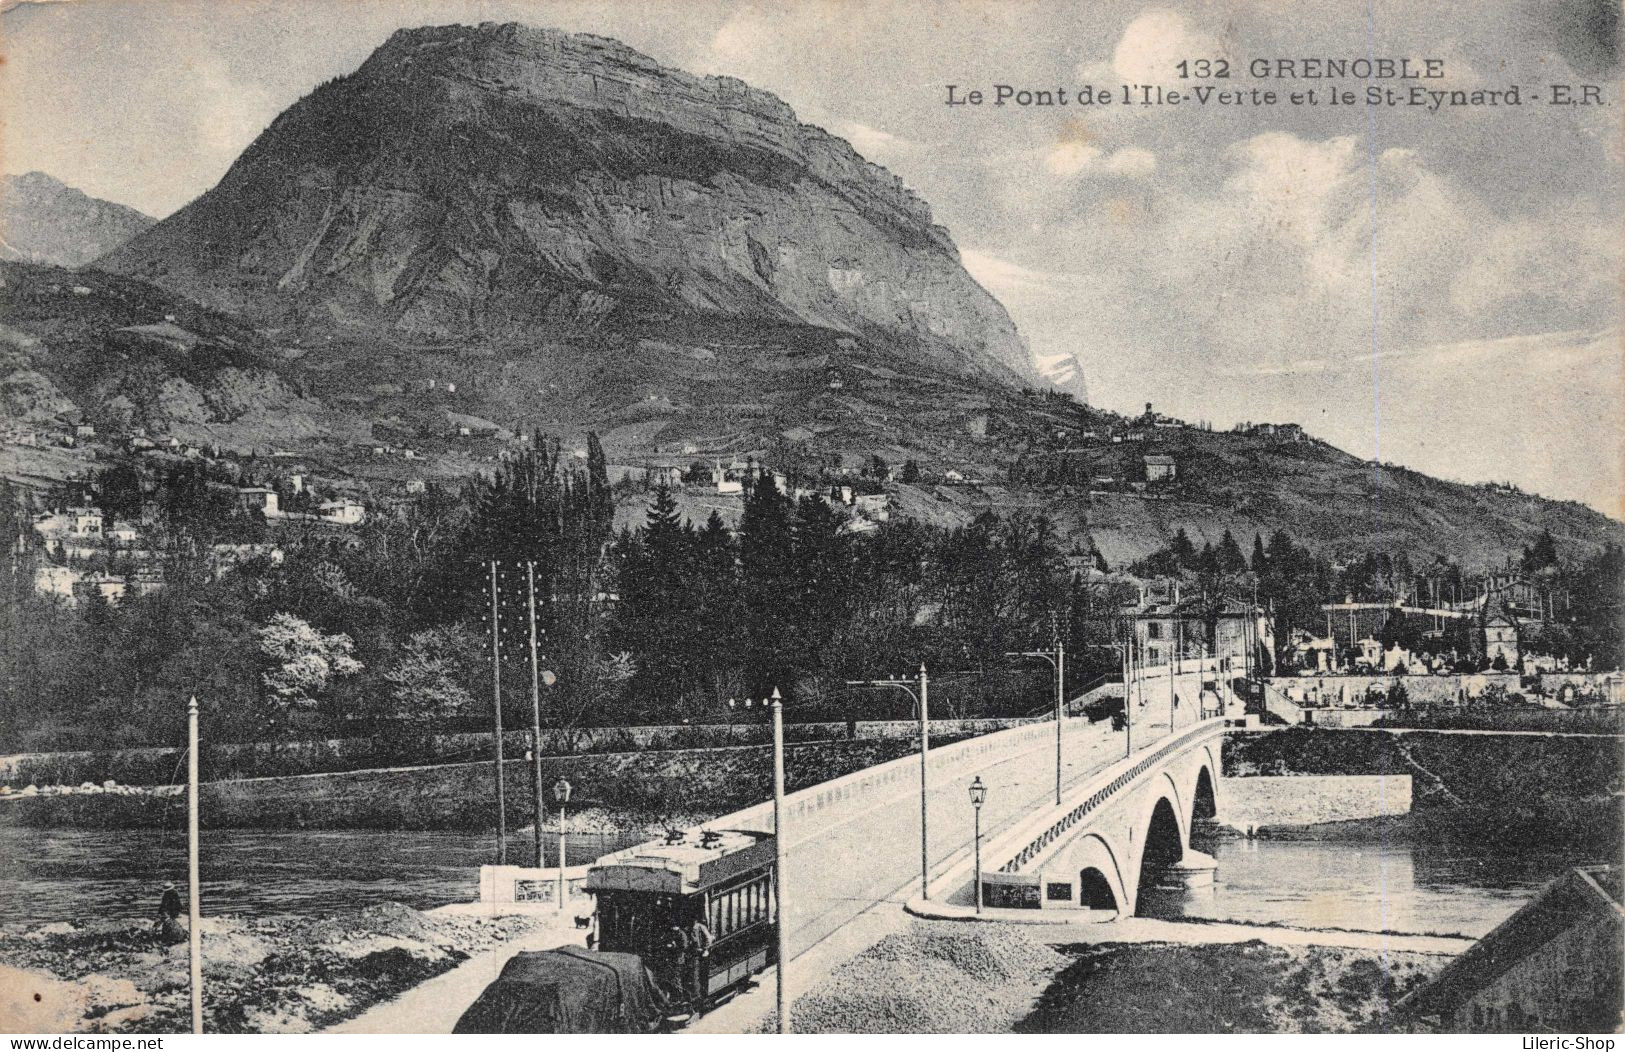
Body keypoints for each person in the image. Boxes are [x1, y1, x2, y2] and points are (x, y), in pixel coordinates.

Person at [686, 914, 714, 1011]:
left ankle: (699, 1000)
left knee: (697, 976)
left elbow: (709, 938)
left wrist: (706, 950)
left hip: (700, 955)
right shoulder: (688, 929)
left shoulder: (700, 928)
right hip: (692, 955)